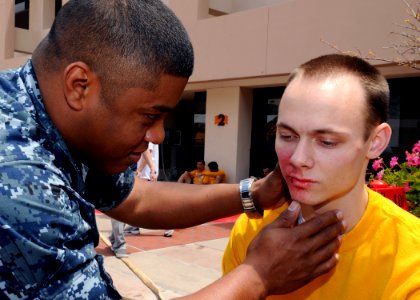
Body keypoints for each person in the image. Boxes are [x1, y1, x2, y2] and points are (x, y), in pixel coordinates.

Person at [0, 1, 345, 299]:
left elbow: (136, 198)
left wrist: (253, 194)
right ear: (80, 86)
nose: (158, 136)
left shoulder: (40, 113)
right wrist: (258, 276)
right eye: (150, 115)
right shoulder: (17, 179)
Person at [222, 54, 420, 299]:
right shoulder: (253, 230)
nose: (297, 158)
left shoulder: (411, 260)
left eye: (326, 142)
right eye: (287, 136)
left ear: (376, 142)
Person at [124, 142, 174, 237]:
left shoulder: (148, 136)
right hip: (146, 173)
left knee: (152, 204)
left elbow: (147, 152)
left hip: (146, 174)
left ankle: (168, 224)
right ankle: (134, 225)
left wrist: (140, 170)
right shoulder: (147, 134)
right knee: (136, 201)